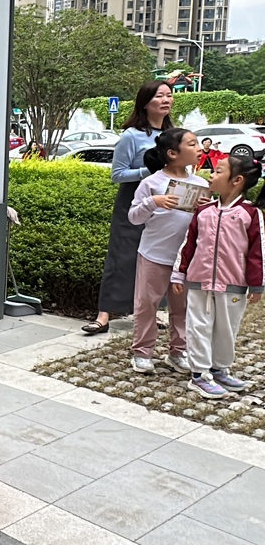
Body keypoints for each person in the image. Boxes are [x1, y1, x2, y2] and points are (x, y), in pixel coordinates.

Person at [83, 81, 175, 335]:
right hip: (132, 201)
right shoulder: (131, 136)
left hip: (164, 204)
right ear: (145, 103)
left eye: (169, 95)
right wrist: (149, 171)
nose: (166, 100)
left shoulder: (174, 135)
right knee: (121, 257)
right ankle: (104, 315)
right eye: (160, 96)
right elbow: (118, 175)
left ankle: (153, 311)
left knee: (158, 258)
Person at [172, 155, 265, 399]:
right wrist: (178, 274)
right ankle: (199, 375)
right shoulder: (203, 211)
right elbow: (188, 245)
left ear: (237, 180)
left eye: (217, 171)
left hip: (233, 285)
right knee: (198, 326)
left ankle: (219, 368)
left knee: (226, 329)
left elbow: (258, 251)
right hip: (198, 281)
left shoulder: (250, 214)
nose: (211, 175)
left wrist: (257, 284)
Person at [126, 128, 205, 374]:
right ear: (172, 153)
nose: (199, 148)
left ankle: (178, 352)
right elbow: (134, 218)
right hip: (154, 256)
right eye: (192, 144)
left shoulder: (200, 184)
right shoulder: (151, 183)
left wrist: (205, 209)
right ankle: (142, 352)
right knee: (146, 304)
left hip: (185, 261)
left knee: (182, 308)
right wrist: (153, 202)